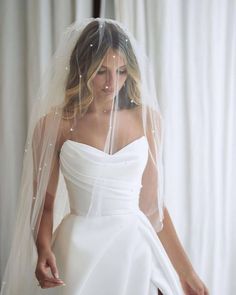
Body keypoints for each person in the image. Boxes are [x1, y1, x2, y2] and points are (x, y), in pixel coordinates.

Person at [0, 18, 209, 295]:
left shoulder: (147, 120)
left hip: (135, 250)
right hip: (78, 251)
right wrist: (44, 249)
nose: (113, 83)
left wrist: (187, 272)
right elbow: (45, 204)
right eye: (101, 71)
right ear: (82, 68)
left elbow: (153, 208)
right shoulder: (55, 125)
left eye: (121, 71)